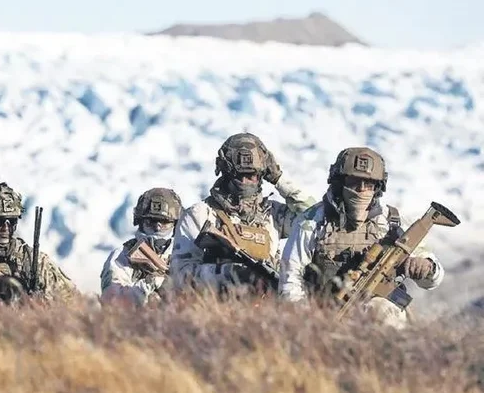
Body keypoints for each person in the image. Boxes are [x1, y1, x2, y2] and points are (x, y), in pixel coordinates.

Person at [278, 147, 444, 328]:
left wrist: (426, 267)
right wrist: (307, 321)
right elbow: (290, 279)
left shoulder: (392, 222)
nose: (362, 190)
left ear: (378, 188)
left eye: (369, 184)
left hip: (380, 316)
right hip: (325, 314)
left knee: (384, 311)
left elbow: (433, 279)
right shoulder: (312, 221)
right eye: (354, 183)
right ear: (339, 183)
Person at [170, 132, 316, 297]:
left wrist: (279, 179)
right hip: (215, 310)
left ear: (262, 175)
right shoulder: (200, 214)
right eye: (240, 175)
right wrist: (228, 273)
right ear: (226, 173)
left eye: (252, 175)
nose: (246, 182)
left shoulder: (274, 214)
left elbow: (314, 217)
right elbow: (180, 276)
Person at [100, 187, 182, 306]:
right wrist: (151, 283)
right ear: (140, 222)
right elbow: (112, 302)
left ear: (175, 224)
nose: (157, 227)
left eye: (164, 222)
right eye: (150, 222)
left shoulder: (184, 254)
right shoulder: (122, 256)